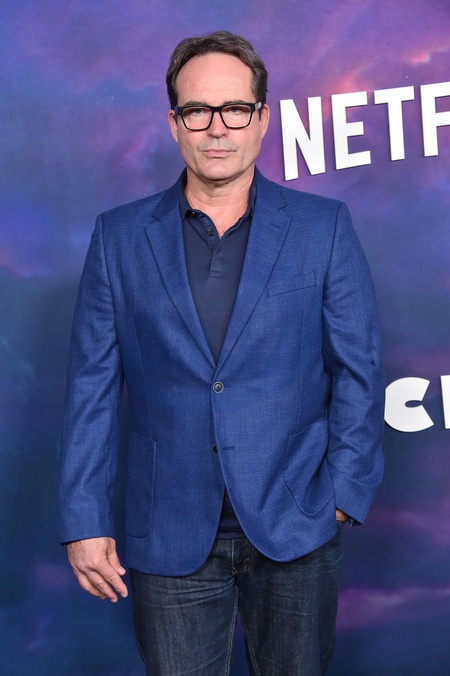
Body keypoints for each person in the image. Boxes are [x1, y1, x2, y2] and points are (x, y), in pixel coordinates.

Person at [60, 30, 384, 676]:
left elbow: (359, 370)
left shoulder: (324, 228)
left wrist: (343, 492)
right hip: (168, 531)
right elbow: (91, 389)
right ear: (173, 123)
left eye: (235, 109)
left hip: (297, 525)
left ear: (262, 118)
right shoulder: (118, 239)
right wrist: (83, 519)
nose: (217, 128)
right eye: (197, 111)